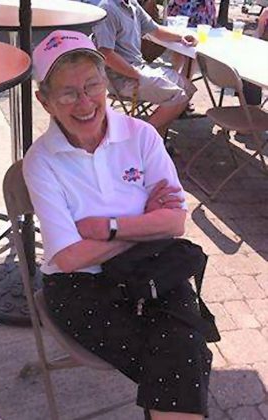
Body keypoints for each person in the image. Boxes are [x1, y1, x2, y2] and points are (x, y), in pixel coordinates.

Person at [24, 29, 214, 420]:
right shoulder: (41, 161)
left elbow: (175, 222)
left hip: (153, 266)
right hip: (80, 285)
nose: (84, 102)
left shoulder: (141, 136)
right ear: (44, 101)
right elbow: (72, 258)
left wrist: (106, 228)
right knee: (184, 356)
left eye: (92, 85)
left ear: (106, 82)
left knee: (180, 350)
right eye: (67, 92)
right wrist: (144, 223)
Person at [92, 0, 198, 135]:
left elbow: (156, 30)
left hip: (139, 69)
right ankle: (140, 141)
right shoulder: (108, 8)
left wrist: (181, 38)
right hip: (122, 79)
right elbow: (106, 54)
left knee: (188, 88)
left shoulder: (132, 4)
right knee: (179, 96)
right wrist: (135, 74)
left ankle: (156, 143)